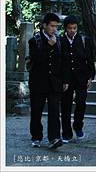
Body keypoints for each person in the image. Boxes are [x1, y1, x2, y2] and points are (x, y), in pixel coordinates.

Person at [27, 13, 66, 149]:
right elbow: (36, 60)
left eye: (56, 26)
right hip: (38, 81)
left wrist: (64, 80)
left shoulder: (59, 41)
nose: (54, 29)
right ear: (44, 25)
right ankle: (36, 136)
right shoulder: (35, 40)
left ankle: (54, 138)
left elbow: (62, 61)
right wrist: (49, 46)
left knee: (55, 111)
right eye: (52, 26)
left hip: (54, 82)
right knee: (37, 110)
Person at [59, 15, 95, 143]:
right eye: (70, 28)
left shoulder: (85, 40)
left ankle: (78, 126)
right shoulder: (60, 41)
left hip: (82, 77)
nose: (72, 31)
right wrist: (62, 80)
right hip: (66, 79)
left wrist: (91, 77)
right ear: (66, 28)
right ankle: (66, 132)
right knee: (65, 106)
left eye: (74, 28)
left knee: (81, 103)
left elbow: (90, 60)